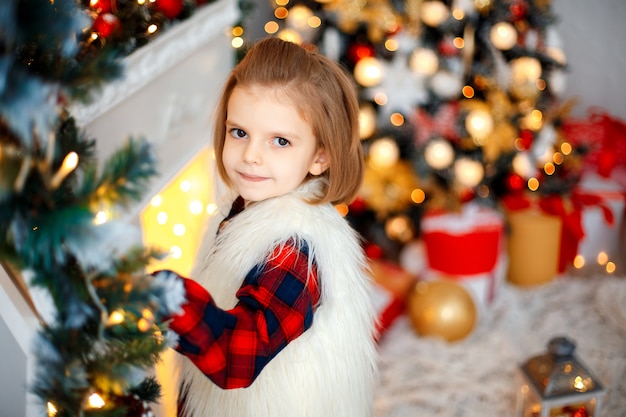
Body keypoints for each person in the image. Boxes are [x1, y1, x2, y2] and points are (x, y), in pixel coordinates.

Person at [158, 37, 378, 417]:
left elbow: (236, 358)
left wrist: (163, 294)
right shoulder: (243, 209)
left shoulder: (295, 249)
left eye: (280, 141)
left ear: (320, 157)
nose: (251, 156)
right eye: (239, 132)